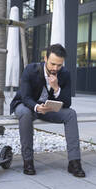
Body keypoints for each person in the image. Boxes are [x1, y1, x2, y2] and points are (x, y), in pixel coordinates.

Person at [10, 44, 85, 177]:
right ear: (45, 58)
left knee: (71, 114)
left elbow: (67, 103)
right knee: (26, 114)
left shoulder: (65, 74)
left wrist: (56, 88)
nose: (55, 68)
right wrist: (37, 107)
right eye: (53, 64)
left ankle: (74, 162)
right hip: (26, 105)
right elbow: (25, 97)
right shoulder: (30, 69)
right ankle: (28, 161)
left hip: (47, 108)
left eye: (59, 65)